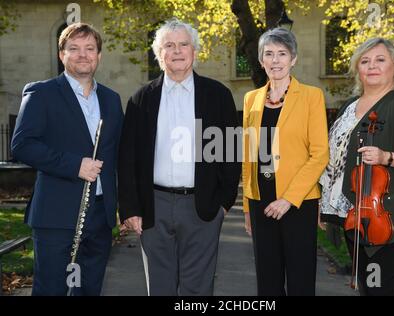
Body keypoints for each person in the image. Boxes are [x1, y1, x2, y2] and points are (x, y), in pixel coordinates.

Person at [118, 18, 240, 296]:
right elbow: (127, 159)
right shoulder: (141, 99)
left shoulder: (218, 95)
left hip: (203, 206)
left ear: (194, 51)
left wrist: (224, 202)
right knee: (160, 288)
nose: (176, 51)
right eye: (168, 45)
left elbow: (231, 152)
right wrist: (130, 208)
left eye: (183, 44)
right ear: (159, 54)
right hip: (154, 206)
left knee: (198, 289)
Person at [11, 23, 124, 296]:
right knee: (52, 290)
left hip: (99, 216)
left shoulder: (111, 99)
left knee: (88, 290)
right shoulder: (42, 93)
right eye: (74, 49)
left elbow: (119, 154)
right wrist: (75, 166)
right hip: (56, 215)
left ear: (99, 55)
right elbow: (22, 146)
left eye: (90, 48)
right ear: (62, 54)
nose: (82, 55)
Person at [319, 37, 394, 296]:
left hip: (391, 219)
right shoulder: (347, 108)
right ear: (357, 69)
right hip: (355, 217)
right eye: (365, 61)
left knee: (382, 291)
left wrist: (388, 158)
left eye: (380, 60)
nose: (372, 66)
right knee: (369, 288)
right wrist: (323, 203)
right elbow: (334, 160)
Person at [242, 27, 329, 296]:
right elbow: (248, 156)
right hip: (261, 203)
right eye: (269, 54)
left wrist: (288, 199)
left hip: (298, 202)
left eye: (282, 53)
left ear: (293, 59)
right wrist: (247, 206)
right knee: (267, 282)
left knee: (300, 280)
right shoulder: (251, 99)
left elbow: (320, 154)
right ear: (261, 60)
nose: (275, 60)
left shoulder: (312, 96)